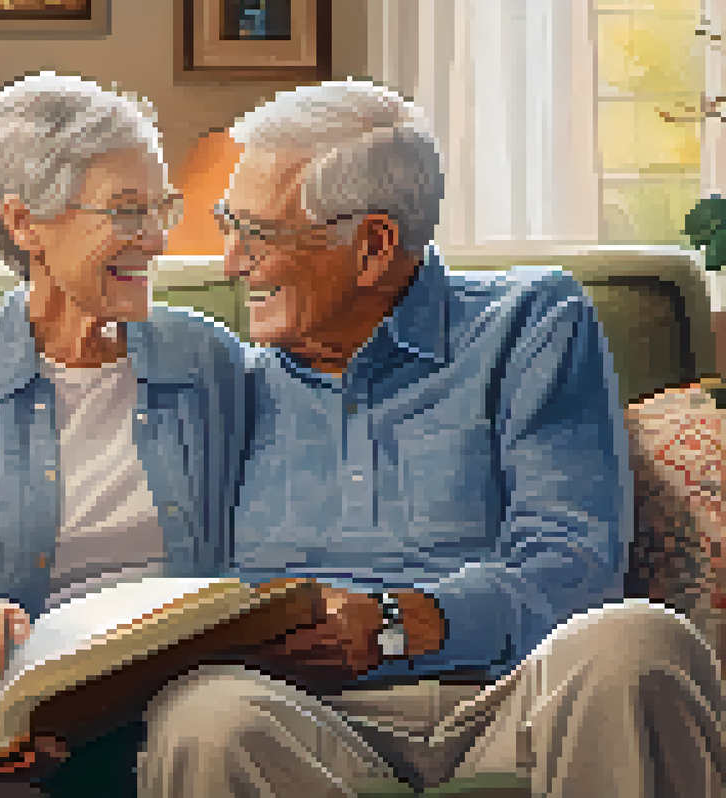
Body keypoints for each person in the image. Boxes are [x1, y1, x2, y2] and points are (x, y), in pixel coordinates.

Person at [137, 79, 726, 797]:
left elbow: (572, 565)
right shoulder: (222, 378)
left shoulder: (529, 323)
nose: (231, 262)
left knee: (639, 641)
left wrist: (406, 622)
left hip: (514, 696)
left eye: (258, 234)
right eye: (230, 224)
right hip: (303, 716)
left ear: (373, 246)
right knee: (203, 719)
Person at [0, 72, 249, 796]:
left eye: (161, 207)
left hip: (188, 703)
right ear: (24, 224)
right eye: (127, 212)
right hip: (27, 712)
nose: (158, 237)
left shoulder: (210, 361)